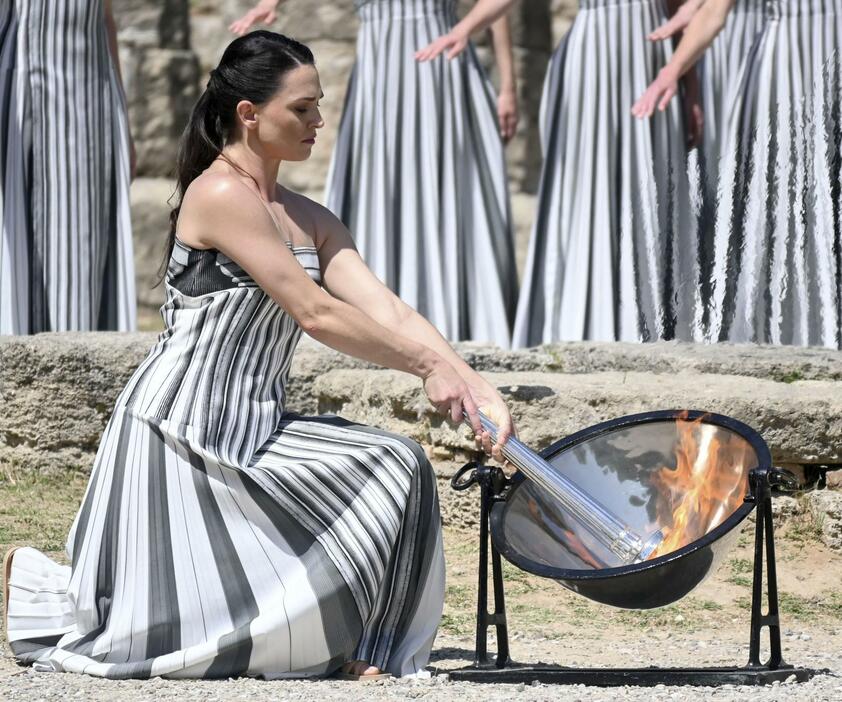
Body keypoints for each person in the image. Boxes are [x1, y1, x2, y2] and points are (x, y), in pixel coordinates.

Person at [3, 31, 514, 680]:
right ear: (250, 114)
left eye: (319, 106)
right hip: (179, 435)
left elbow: (389, 310)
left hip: (259, 428)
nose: (318, 121)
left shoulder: (311, 217)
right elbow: (317, 311)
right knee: (149, 641)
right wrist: (426, 367)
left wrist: (473, 384)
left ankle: (345, 647)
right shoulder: (218, 196)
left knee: (396, 463)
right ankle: (47, 593)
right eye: (301, 109)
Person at [231, 0, 519, 348]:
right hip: (378, 67)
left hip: (439, 60)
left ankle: (453, 320)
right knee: (380, 191)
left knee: (443, 188)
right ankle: (378, 318)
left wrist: (505, 79)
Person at [420, 0, 705, 345]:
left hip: (652, 61)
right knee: (587, 194)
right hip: (591, 56)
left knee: (652, 189)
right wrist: (465, 29)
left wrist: (689, 81)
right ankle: (581, 320)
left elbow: (678, 9)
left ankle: (656, 318)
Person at [633, 0, 842, 347]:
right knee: (782, 207)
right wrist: (670, 73)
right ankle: (788, 330)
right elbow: (715, 13)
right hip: (786, 65)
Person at [0, 0, 136, 334]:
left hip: (88, 103)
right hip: (15, 98)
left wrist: (122, 121)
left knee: (78, 253)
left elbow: (105, 20)